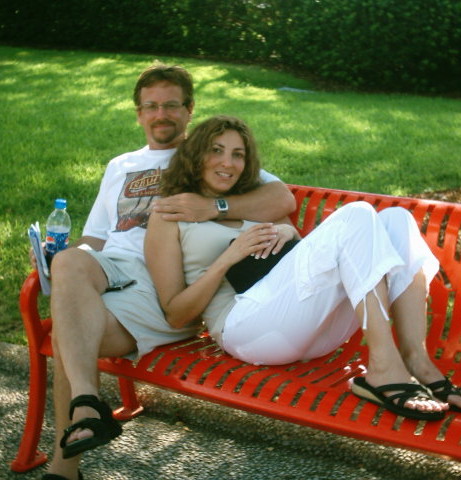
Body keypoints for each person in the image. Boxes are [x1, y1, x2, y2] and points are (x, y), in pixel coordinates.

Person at [31, 65, 296, 480]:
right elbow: (96, 238)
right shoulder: (120, 165)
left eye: (172, 105)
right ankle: (86, 405)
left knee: (70, 332)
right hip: (108, 268)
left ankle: (65, 468)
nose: (161, 115)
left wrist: (213, 207)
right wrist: (53, 256)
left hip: (162, 286)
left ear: (189, 110)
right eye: (151, 106)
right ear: (138, 113)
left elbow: (281, 198)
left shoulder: (209, 154)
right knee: (68, 262)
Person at [145, 115, 461, 424]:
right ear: (195, 155)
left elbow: (303, 264)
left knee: (397, 219)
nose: (228, 163)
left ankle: (416, 359)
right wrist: (227, 259)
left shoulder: (251, 201)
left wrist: (289, 233)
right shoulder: (168, 217)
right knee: (357, 215)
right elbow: (176, 315)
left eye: (238, 154)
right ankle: (383, 367)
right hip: (246, 331)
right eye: (216, 150)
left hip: (311, 330)